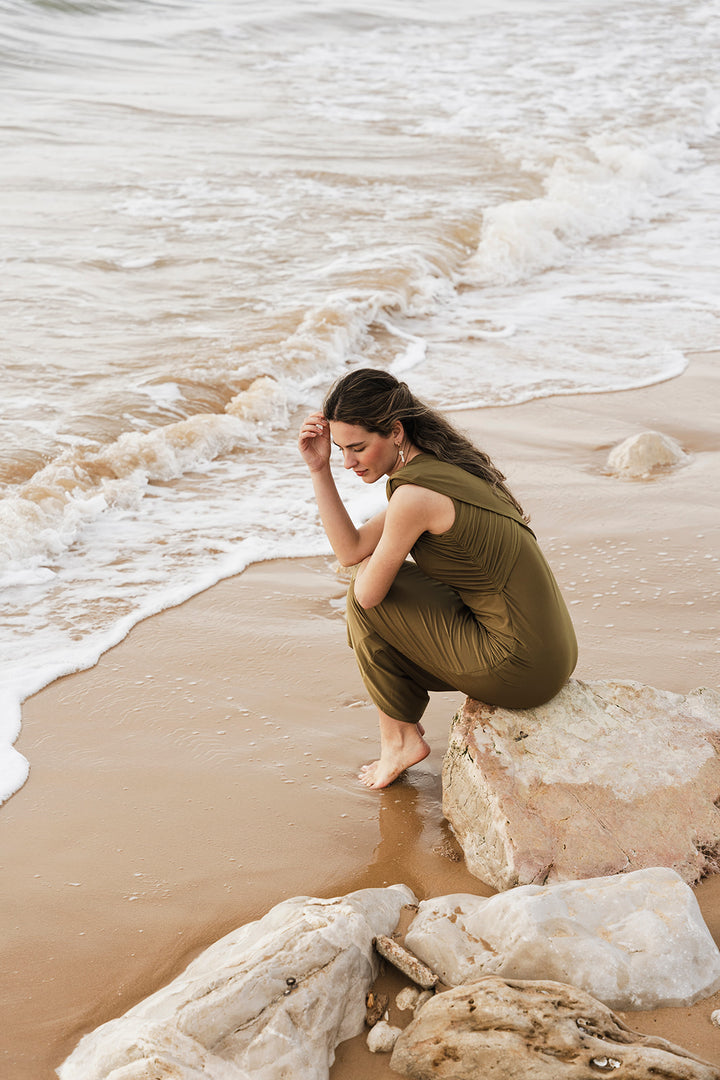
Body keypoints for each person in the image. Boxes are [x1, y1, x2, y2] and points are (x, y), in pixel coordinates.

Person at [298, 368, 577, 790]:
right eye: (339, 451)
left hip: (520, 668)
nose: (348, 463)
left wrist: (369, 579)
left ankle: (399, 739)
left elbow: (368, 595)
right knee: (369, 575)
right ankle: (400, 734)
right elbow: (351, 548)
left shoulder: (414, 496)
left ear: (394, 431)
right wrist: (318, 470)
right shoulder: (440, 466)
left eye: (357, 448)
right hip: (551, 651)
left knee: (366, 595)